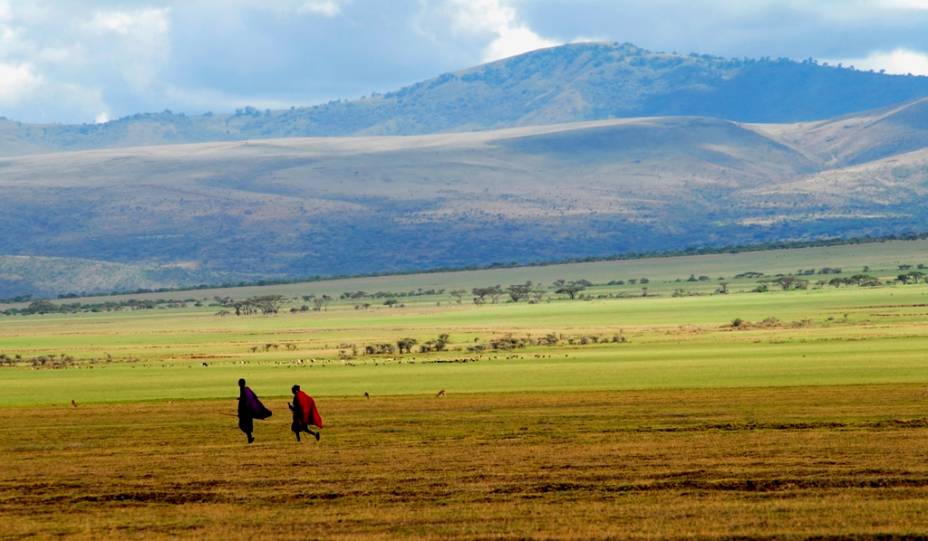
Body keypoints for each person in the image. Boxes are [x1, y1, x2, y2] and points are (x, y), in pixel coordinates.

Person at [237, 378, 272, 444]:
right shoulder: (246, 389)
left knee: (242, 425)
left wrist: (241, 412)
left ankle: (249, 438)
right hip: (248, 411)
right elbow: (250, 397)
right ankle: (249, 438)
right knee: (247, 425)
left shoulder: (243, 390)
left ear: (239, 384)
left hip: (245, 412)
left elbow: (244, 401)